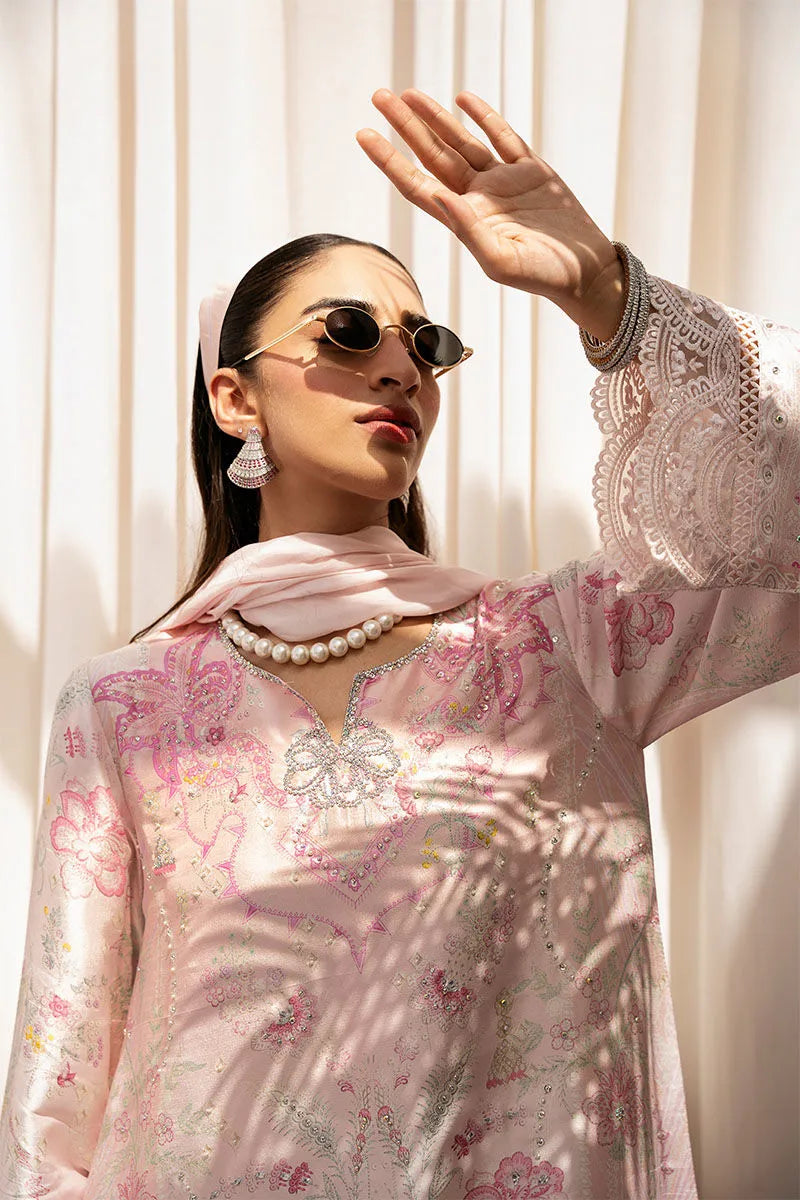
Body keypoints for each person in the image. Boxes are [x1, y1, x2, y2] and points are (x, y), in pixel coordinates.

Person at [0, 87, 797, 1200]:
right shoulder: (124, 704)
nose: (400, 367)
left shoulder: (565, 651)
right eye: (348, 331)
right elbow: (60, 1082)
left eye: (425, 341)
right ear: (234, 398)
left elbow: (781, 548)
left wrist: (609, 300)